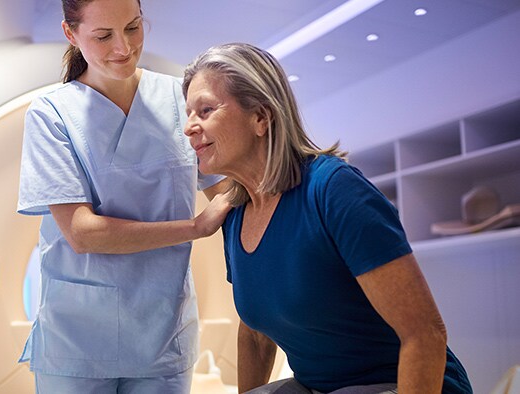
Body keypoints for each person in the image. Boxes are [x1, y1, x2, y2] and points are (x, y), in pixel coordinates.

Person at [182, 42, 472, 394]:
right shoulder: (236, 217)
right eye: (188, 114)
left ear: (260, 117)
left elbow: (425, 334)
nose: (189, 127)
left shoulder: (333, 189)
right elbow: (256, 336)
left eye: (206, 110)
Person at [16, 0, 230, 392]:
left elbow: (229, 191)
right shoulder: (51, 114)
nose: (123, 48)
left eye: (133, 28)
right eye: (103, 36)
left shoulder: (180, 102)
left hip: (163, 334)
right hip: (77, 340)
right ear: (71, 33)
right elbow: (82, 233)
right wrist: (196, 227)